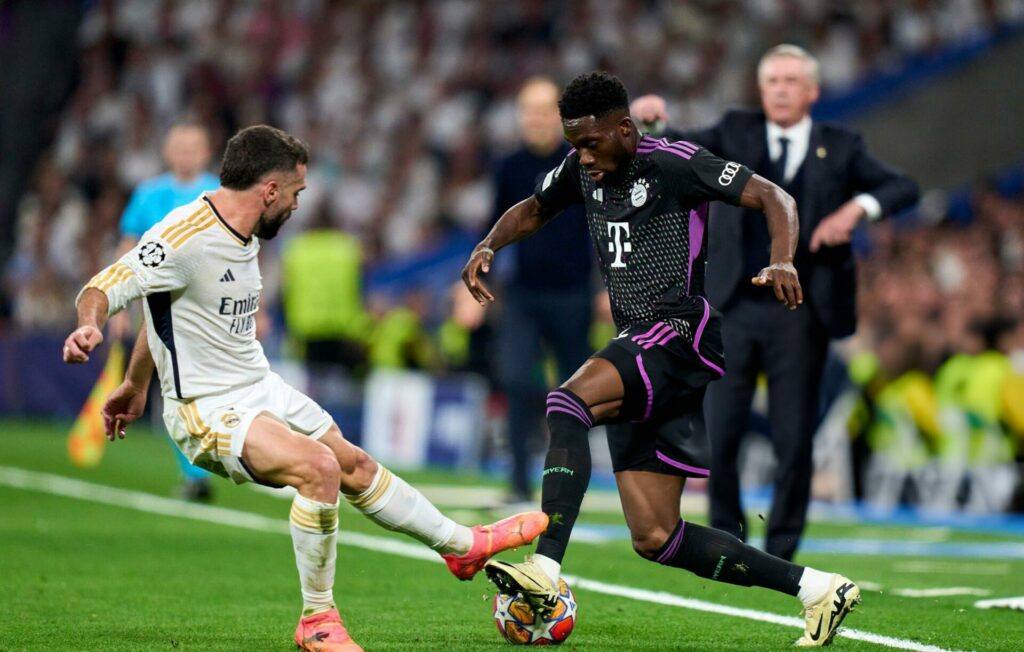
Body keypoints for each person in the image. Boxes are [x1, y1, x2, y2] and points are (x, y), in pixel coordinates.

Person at [63, 125, 548, 652]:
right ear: (269, 190)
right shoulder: (184, 236)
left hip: (259, 385)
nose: (297, 204)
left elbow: (164, 311)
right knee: (316, 468)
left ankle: (462, 547)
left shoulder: (243, 230)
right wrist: (89, 326)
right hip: (204, 408)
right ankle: (317, 620)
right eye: (295, 192)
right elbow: (106, 285)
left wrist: (137, 382)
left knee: (351, 463)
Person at [464, 71, 859, 647]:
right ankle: (819, 589)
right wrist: (488, 245)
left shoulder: (675, 163)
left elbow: (775, 196)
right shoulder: (582, 168)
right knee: (656, 537)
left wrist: (783, 258)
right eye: (574, 144)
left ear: (625, 129)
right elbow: (533, 207)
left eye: (591, 143)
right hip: (640, 343)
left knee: (566, 401)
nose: (582, 156)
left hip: (679, 331)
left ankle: (544, 571)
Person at [631, 44, 920, 560]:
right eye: (773, 81)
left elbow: (903, 186)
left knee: (793, 436)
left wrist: (857, 208)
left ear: (812, 90)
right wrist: (651, 126)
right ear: (761, 90)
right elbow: (679, 146)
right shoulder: (734, 131)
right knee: (722, 431)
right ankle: (729, 540)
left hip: (800, 311)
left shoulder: (842, 144)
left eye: (792, 80)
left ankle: (783, 548)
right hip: (734, 306)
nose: (782, 89)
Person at [489, 77, 594, 504]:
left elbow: (602, 225)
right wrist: (478, 276)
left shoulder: (583, 161)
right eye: (527, 110)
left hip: (573, 294)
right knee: (515, 382)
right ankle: (518, 483)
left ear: (560, 117)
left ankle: (572, 485)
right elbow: (494, 226)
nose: (534, 118)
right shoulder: (508, 165)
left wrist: (605, 287)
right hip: (524, 294)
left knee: (579, 392)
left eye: (542, 110)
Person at [110, 121, 221, 501]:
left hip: (212, 306)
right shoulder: (148, 194)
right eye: (180, 146)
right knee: (171, 392)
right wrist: (118, 302)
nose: (187, 153)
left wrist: (258, 309)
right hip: (160, 310)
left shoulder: (219, 193)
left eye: (194, 146)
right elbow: (128, 246)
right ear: (167, 152)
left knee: (207, 389)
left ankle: (213, 461)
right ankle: (194, 473)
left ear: (207, 152)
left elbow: (242, 250)